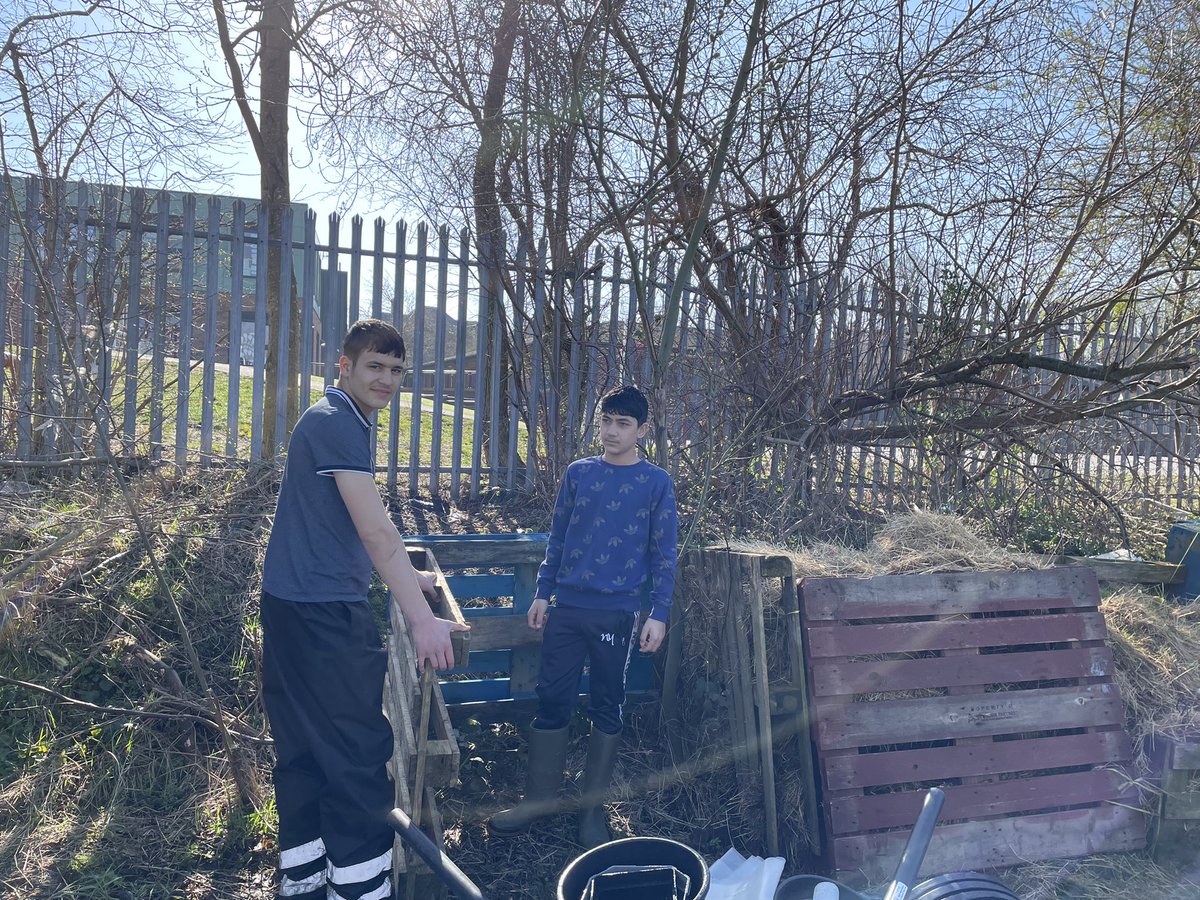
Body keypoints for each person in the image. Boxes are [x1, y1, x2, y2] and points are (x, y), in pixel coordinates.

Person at [259, 319, 468, 900]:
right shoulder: (339, 426)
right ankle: (359, 889)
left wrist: (411, 573)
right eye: (375, 366)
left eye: (397, 370)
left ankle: (303, 880)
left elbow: (354, 521)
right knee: (355, 753)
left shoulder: (332, 419)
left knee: (303, 749)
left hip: (289, 604)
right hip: (323, 613)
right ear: (343, 366)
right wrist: (424, 619)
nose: (387, 379)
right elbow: (376, 532)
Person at [489, 384, 678, 848]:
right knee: (552, 696)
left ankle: (590, 813)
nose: (612, 431)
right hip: (568, 610)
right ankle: (538, 800)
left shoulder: (656, 483)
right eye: (606, 421)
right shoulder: (579, 474)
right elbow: (559, 536)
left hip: (618, 614)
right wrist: (542, 593)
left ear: (643, 430)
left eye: (623, 423)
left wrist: (659, 613)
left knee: (607, 704)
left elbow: (664, 554)